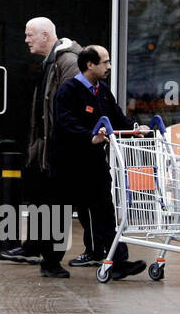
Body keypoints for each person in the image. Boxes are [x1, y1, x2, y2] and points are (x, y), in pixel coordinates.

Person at [52, 46, 146, 278]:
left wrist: (136, 128)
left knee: (104, 209)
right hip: (68, 162)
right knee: (61, 212)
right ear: (90, 65)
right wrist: (89, 136)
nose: (109, 67)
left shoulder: (102, 91)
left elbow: (116, 117)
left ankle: (117, 261)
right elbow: (65, 123)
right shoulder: (69, 90)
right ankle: (50, 261)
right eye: (104, 62)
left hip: (94, 161)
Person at [2, 16, 82, 277]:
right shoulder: (50, 63)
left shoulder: (66, 62)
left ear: (46, 35)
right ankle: (39, 250)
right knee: (42, 200)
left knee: (60, 205)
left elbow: (70, 108)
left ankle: (54, 259)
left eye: (30, 35)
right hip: (45, 148)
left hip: (60, 148)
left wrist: (56, 145)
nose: (26, 40)